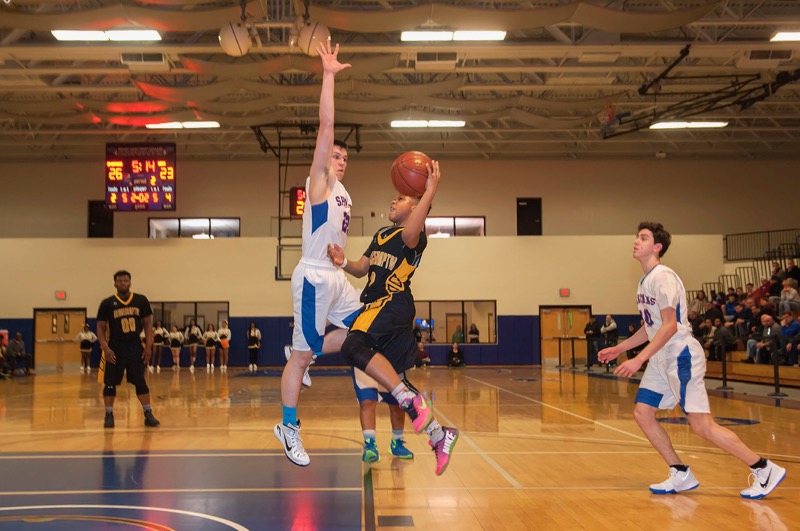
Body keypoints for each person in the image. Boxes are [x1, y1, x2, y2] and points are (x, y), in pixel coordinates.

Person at [598, 222, 785, 499]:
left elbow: (670, 326)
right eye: (637, 237)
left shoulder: (663, 277)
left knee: (701, 425)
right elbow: (651, 327)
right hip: (662, 357)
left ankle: (762, 467)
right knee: (643, 413)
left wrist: (638, 359)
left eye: (643, 237)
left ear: (657, 246)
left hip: (680, 355)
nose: (636, 241)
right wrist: (620, 348)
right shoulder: (645, 280)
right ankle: (680, 472)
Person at [329, 157, 459, 477]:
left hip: (389, 304)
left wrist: (429, 192)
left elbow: (414, 226)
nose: (394, 199)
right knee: (396, 381)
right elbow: (362, 268)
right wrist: (343, 261)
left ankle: (405, 400)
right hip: (388, 314)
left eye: (402, 198)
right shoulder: (382, 234)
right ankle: (440, 436)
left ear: (416, 209)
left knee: (351, 345)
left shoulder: (414, 237)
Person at [274, 41, 364, 466]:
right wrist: (328, 75)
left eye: (346, 155)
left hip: (336, 278)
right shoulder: (319, 184)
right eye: (335, 154)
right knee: (305, 354)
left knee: (365, 327)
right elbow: (326, 125)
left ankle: (300, 353)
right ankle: (288, 427)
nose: (340, 158)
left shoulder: (345, 193)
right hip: (311, 277)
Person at [96, 270, 160, 429]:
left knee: (140, 382)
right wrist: (105, 347)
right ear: (115, 283)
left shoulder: (141, 300)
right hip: (115, 347)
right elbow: (100, 327)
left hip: (135, 346)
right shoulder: (107, 303)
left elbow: (147, 325)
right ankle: (109, 414)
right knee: (109, 383)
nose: (123, 283)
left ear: (130, 282)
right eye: (120, 281)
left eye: (126, 281)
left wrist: (148, 347)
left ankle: (148, 413)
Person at [353, 368, 414, 463]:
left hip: (391, 358)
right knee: (367, 400)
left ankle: (397, 443)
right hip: (364, 357)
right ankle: (370, 445)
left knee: (397, 401)